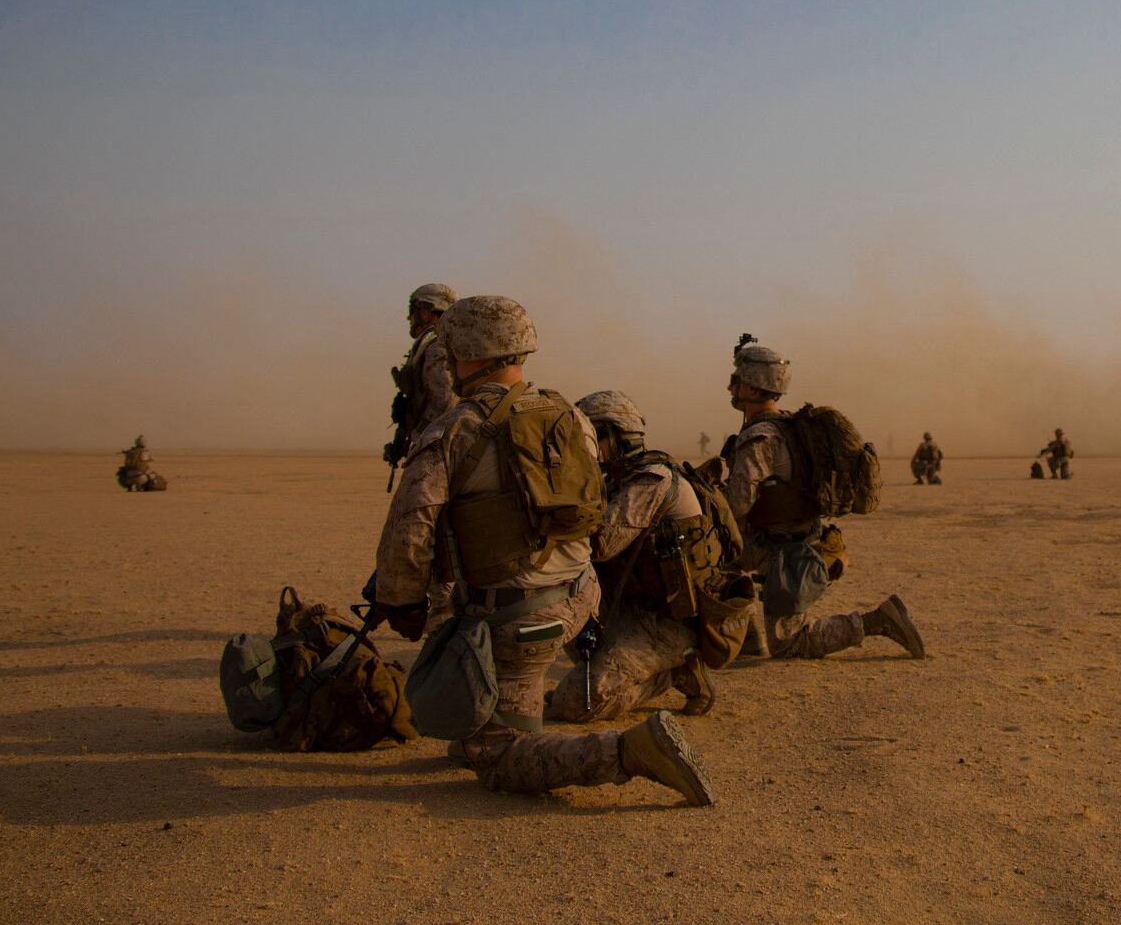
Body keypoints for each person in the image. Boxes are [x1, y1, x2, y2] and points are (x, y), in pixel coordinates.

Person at [369, 295, 713, 803]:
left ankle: (630, 751)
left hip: (519, 620)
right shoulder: (571, 418)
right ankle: (498, 717)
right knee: (470, 727)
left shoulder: (454, 430)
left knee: (498, 757)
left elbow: (411, 528)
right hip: (577, 601)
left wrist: (399, 601)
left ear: (466, 352)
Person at [545, 389, 741, 722]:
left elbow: (601, 543)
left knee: (575, 704)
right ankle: (630, 669)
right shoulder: (619, 480)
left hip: (666, 621)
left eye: (594, 437)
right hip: (632, 608)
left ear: (619, 436)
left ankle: (674, 671)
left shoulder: (652, 481)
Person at [724, 337, 925, 661]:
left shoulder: (759, 437)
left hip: (781, 549)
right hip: (802, 537)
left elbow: (738, 503)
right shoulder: (789, 425)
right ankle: (747, 637)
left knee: (789, 644)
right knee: (722, 561)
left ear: (752, 387)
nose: (730, 389)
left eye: (737, 381)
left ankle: (877, 622)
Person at [385, 283, 460, 478]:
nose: (409, 318)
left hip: (440, 450)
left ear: (427, 312)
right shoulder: (433, 344)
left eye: (413, 310)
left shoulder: (437, 346)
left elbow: (445, 402)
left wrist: (422, 441)